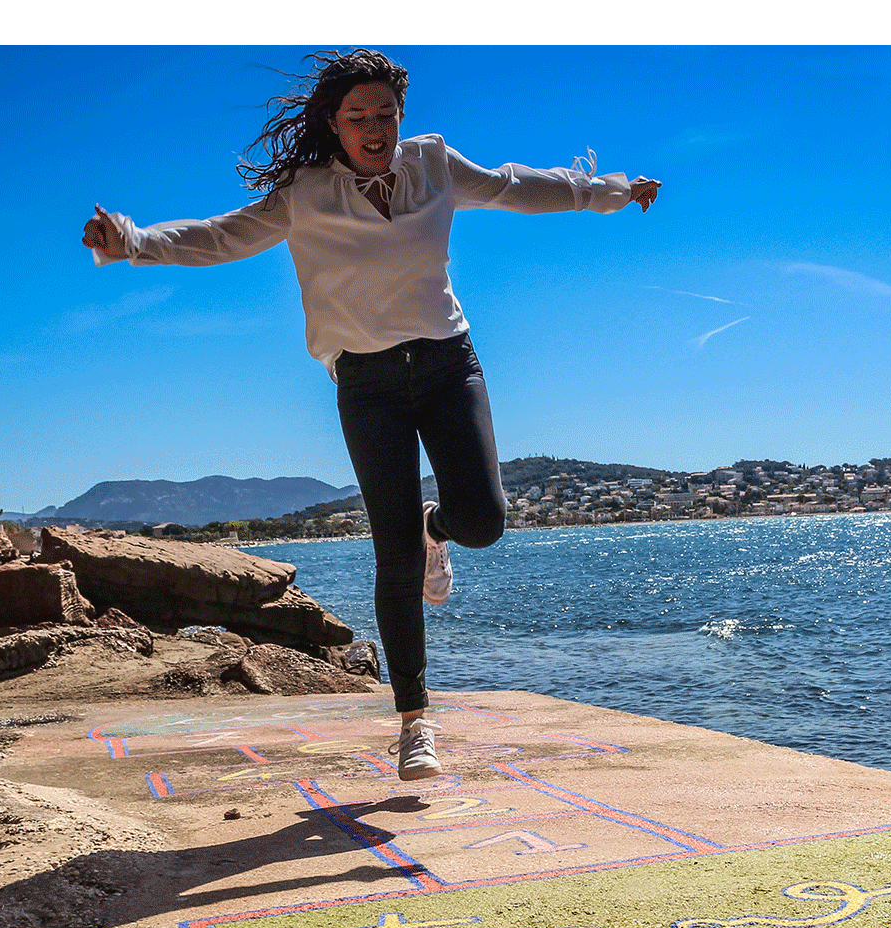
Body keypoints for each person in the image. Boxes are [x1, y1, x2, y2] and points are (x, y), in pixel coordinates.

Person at [81, 48, 660, 781]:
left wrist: (610, 191)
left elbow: (517, 186)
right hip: (367, 383)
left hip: (448, 361)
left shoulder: (433, 165)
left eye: (387, 113)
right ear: (334, 122)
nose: (376, 127)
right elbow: (221, 235)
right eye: (359, 116)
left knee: (484, 521)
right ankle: (415, 721)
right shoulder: (306, 193)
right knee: (393, 557)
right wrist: (133, 241)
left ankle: (436, 527)